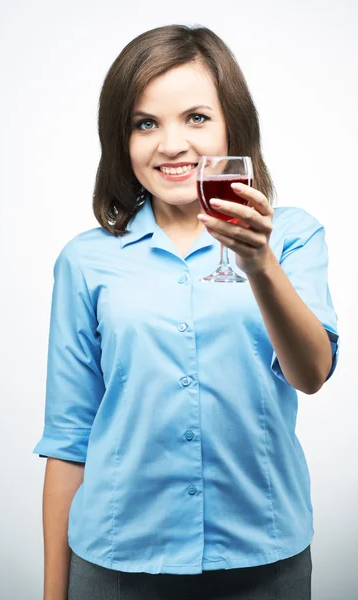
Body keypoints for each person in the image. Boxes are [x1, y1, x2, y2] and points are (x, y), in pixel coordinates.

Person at [33, 24, 339, 600]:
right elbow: (69, 439)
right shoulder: (86, 261)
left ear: (233, 127)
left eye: (196, 118)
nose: (171, 145)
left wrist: (259, 263)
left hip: (264, 561)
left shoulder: (293, 237)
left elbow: (312, 373)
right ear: (120, 139)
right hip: (116, 566)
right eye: (145, 123)